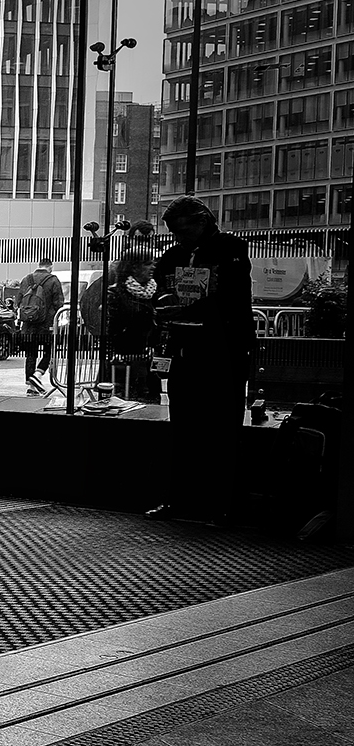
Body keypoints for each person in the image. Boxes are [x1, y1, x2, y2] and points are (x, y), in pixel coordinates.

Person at [151, 195, 254, 524]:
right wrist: (161, 308)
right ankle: (181, 500)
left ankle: (222, 505)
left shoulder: (230, 250)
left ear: (202, 223)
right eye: (175, 233)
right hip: (185, 348)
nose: (180, 239)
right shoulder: (174, 254)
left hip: (222, 348)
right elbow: (160, 290)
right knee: (183, 428)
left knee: (222, 429)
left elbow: (233, 297)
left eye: (184, 231)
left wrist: (189, 305)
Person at [107, 247, 160, 402]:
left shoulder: (156, 291)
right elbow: (112, 331)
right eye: (148, 263)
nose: (153, 267)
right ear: (134, 267)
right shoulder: (116, 293)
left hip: (149, 362)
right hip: (124, 364)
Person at [15, 257, 63, 396]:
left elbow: (19, 301)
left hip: (28, 325)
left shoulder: (26, 279)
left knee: (30, 354)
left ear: (39, 265)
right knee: (50, 351)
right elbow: (59, 303)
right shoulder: (53, 280)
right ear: (50, 266)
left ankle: (31, 388)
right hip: (46, 325)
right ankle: (38, 374)